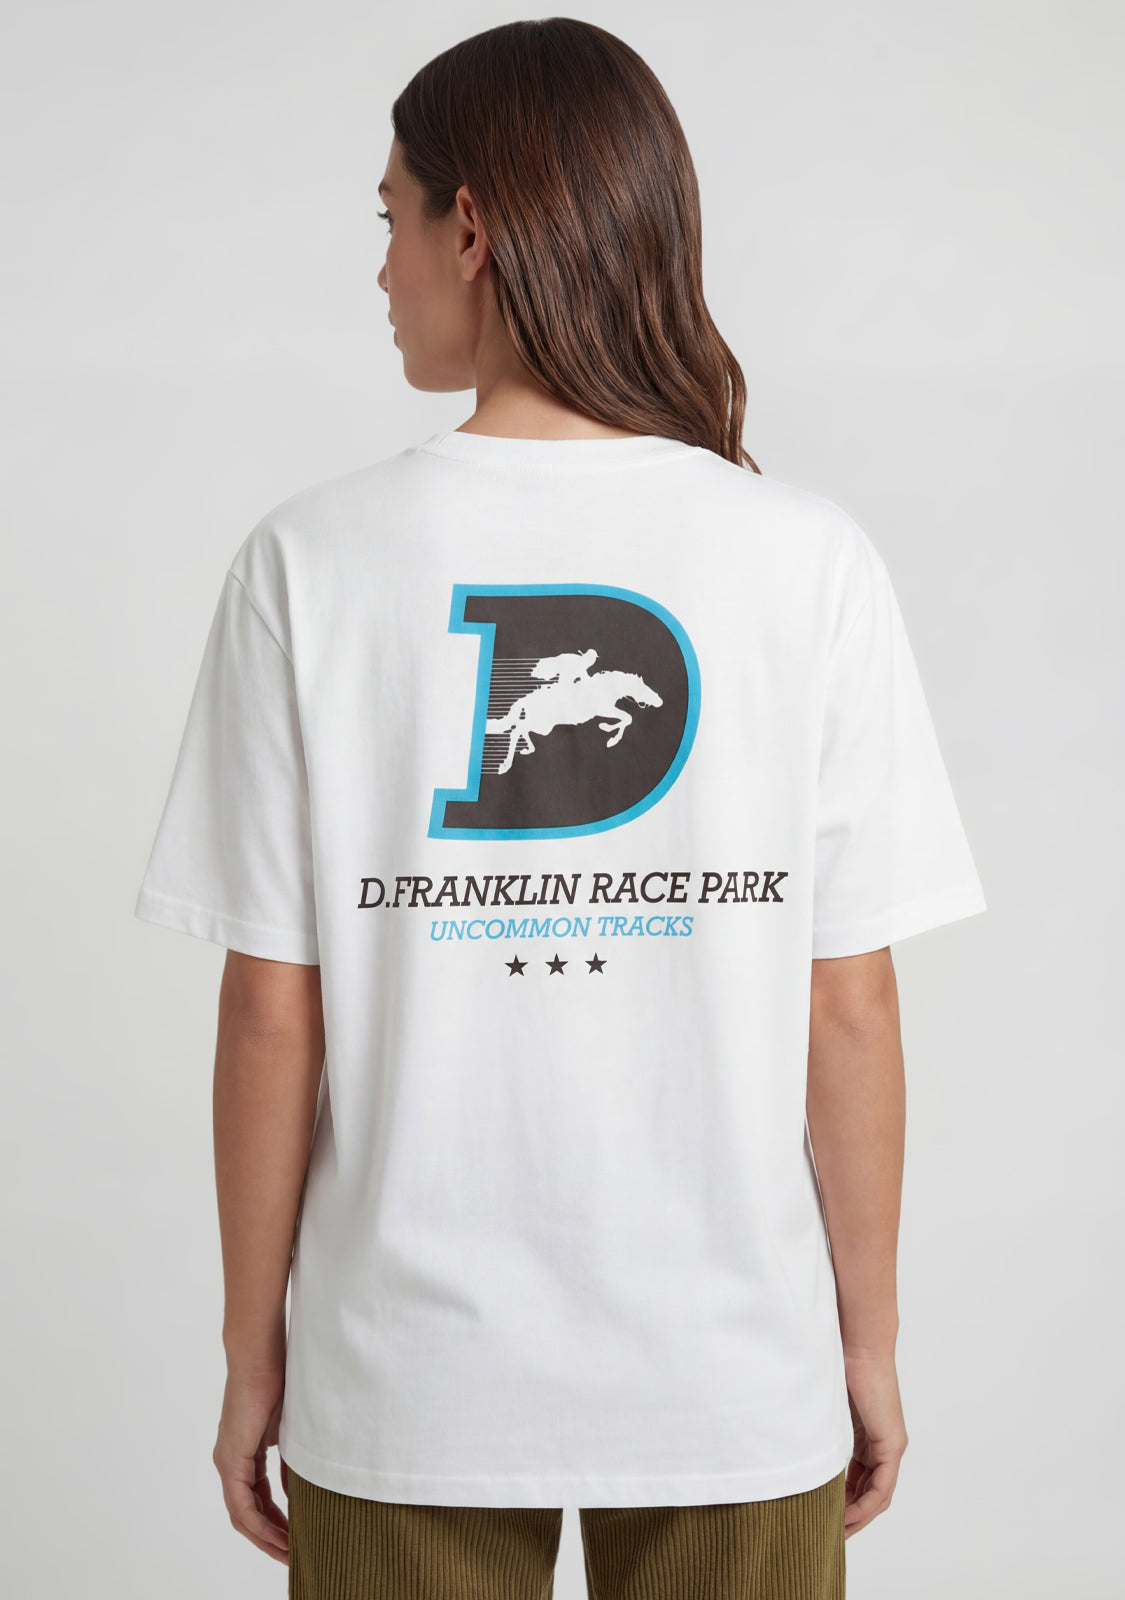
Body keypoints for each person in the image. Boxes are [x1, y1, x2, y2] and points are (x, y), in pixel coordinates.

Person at [133, 18, 987, 1599]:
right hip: (732, 1381)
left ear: (469, 227)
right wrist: (862, 1344)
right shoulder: (806, 560)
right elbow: (848, 1002)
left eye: (389, 217)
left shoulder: (309, 565)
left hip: (406, 1388)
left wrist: (255, 1360)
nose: (379, 267)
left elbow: (270, 1010)